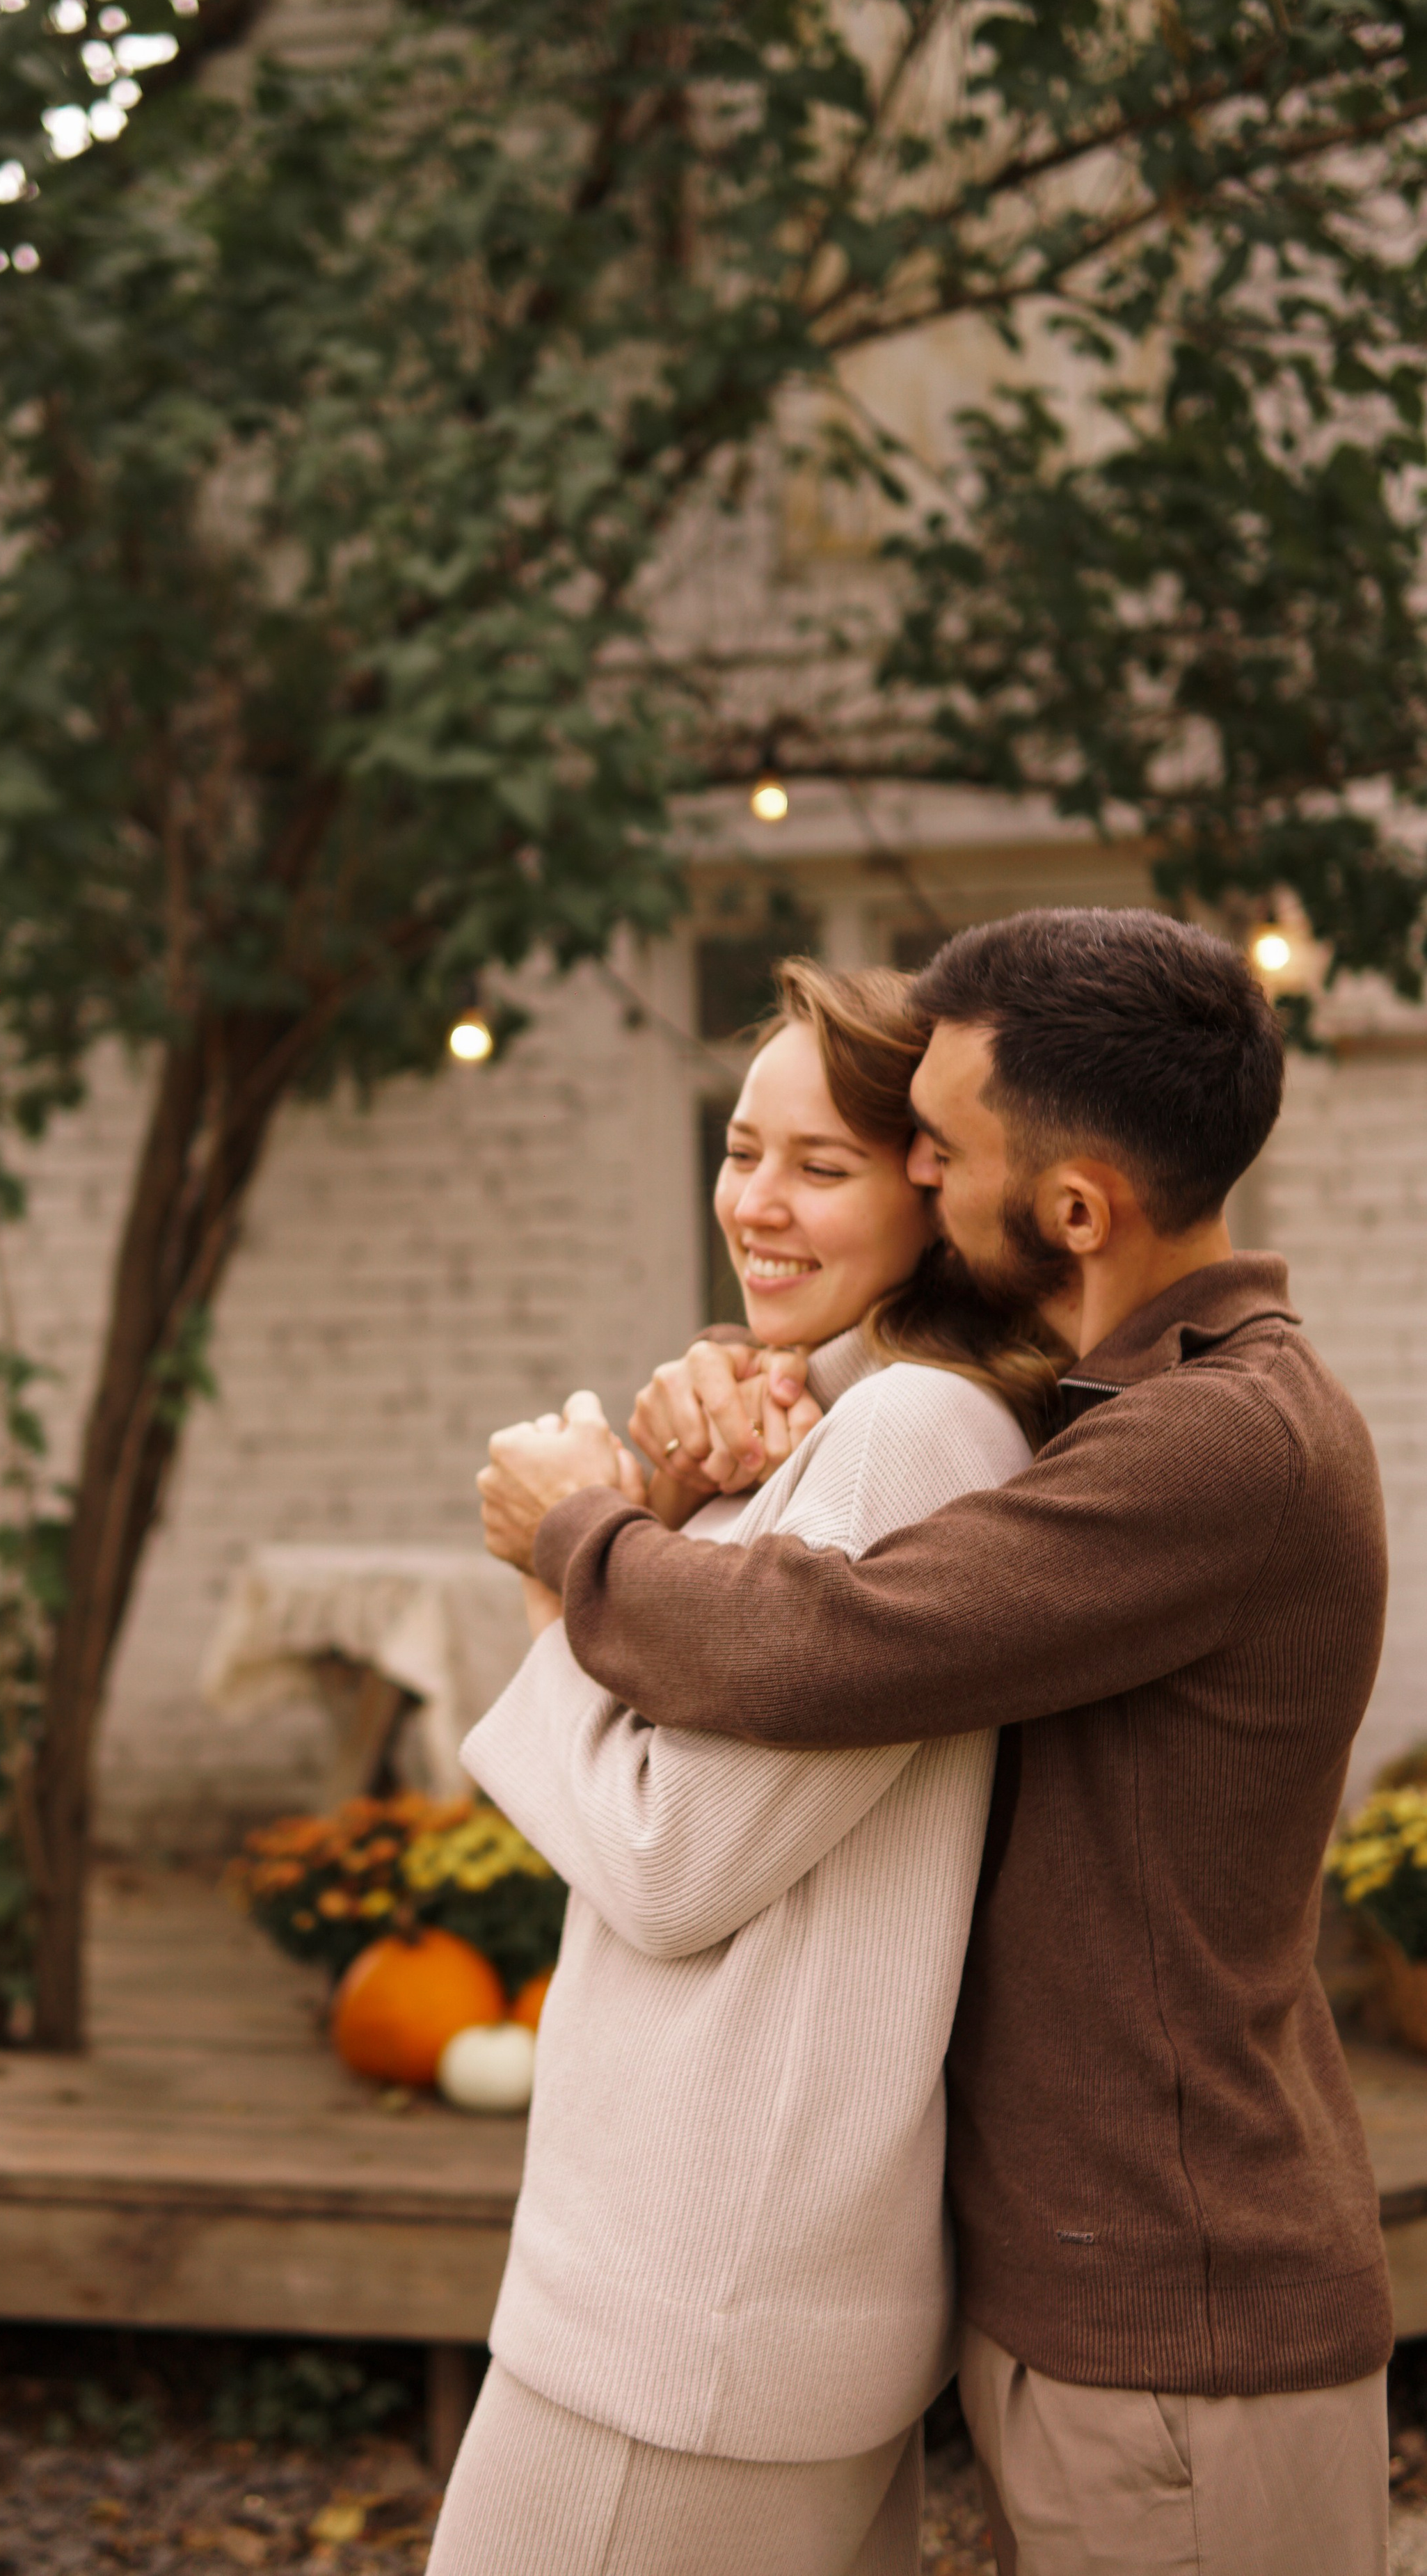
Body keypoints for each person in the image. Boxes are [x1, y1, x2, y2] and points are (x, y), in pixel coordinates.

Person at [478, 907, 1392, 2576]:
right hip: (1075, 2288)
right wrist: (727, 1472)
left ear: (1064, 1208)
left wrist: (578, 1543)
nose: (908, 1171)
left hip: (1170, 2308)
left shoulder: (1217, 1440)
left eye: (921, 1150)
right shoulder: (1117, 1409)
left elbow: (824, 1651)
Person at [428, 961, 1062, 2576]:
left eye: (821, 1167)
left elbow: (666, 1858)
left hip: (688, 2310)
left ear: (934, 1193)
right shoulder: (842, 1417)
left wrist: (559, 1571)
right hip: (730, 2302)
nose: (756, 1204)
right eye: (736, 1150)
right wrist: (667, 1481)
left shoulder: (912, 1440)